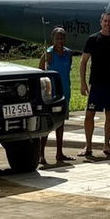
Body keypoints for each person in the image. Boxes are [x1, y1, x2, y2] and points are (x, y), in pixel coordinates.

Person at [79, 12, 110, 159]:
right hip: (96, 83)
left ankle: (106, 145)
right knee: (89, 114)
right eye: (105, 21)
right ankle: (88, 145)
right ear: (101, 22)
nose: (107, 23)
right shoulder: (92, 39)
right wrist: (83, 83)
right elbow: (83, 62)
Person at [38, 26, 74, 167]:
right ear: (53, 39)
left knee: (61, 123)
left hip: (64, 92)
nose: (60, 40)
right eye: (57, 38)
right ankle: (41, 153)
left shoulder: (68, 54)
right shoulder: (48, 54)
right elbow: (40, 72)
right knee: (47, 123)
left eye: (62, 38)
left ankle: (60, 152)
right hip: (51, 93)